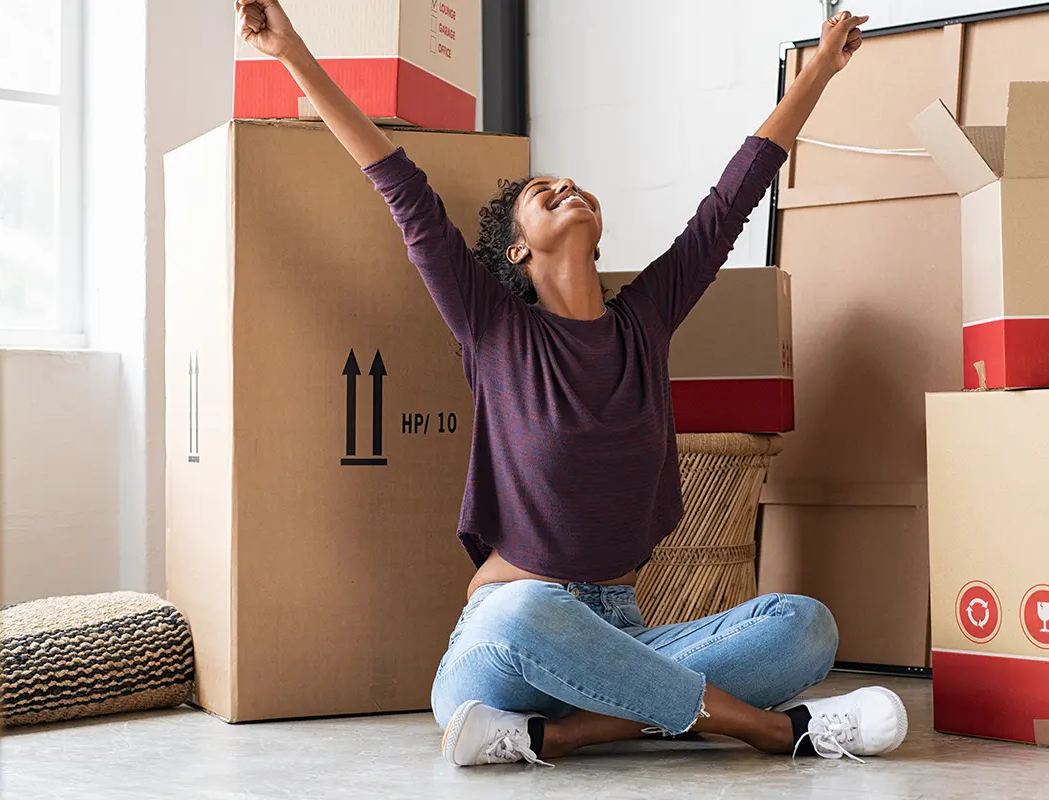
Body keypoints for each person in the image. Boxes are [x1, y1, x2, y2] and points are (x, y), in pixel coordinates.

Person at [237, 0, 906, 768]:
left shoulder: (644, 322)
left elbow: (734, 198)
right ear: (518, 252)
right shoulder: (494, 329)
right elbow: (401, 189)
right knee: (526, 608)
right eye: (544, 193)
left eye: (572, 183)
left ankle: (569, 732)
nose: (567, 185)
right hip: (504, 649)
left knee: (805, 626)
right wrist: (290, 51)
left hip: (619, 636)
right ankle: (771, 730)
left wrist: (818, 70)